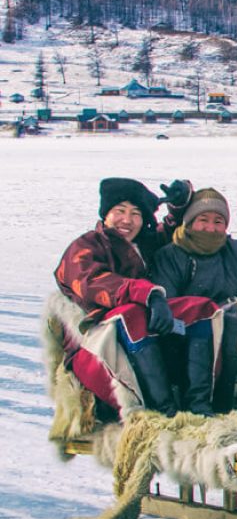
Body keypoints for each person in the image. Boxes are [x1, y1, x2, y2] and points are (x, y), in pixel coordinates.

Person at [52, 177, 218, 418]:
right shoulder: (86, 246)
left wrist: (178, 209)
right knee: (131, 314)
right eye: (120, 211)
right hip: (96, 348)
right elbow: (92, 283)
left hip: (144, 343)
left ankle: (199, 405)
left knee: (201, 308)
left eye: (136, 214)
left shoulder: (143, 245)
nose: (127, 221)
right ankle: (164, 412)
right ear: (106, 213)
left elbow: (170, 233)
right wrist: (149, 295)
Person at [151, 188, 237, 413]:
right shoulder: (170, 256)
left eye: (218, 221)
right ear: (189, 221)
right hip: (189, 334)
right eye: (203, 220)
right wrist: (209, 315)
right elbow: (168, 301)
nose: (211, 228)